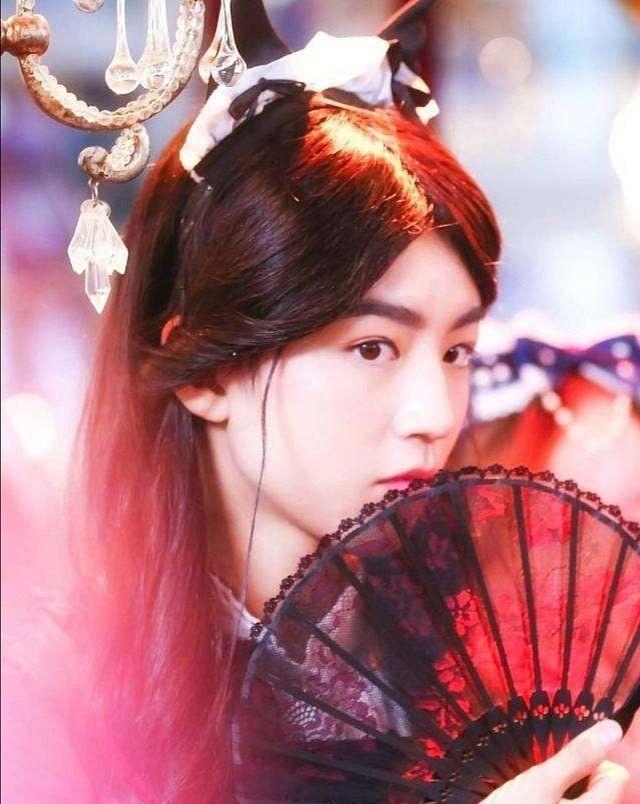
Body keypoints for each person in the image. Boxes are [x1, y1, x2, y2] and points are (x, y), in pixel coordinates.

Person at [5, 12, 636, 804]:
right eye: (372, 348)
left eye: (458, 351)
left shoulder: (484, 658)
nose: (434, 415)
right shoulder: (45, 702)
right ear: (206, 372)